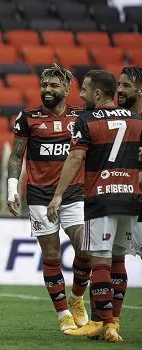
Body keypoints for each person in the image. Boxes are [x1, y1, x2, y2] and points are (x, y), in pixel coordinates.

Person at [47, 70, 142, 343]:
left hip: (101, 198)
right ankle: (115, 323)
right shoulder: (136, 119)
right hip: (131, 199)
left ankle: (103, 322)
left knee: (100, 260)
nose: (81, 95)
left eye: (85, 91)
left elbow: (75, 159)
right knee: (118, 260)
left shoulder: (85, 120)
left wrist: (58, 196)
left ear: (97, 94)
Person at [7, 64, 90, 332]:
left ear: (67, 89)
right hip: (40, 196)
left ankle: (76, 298)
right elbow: (16, 156)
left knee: (85, 250)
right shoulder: (28, 117)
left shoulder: (81, 116)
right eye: (44, 85)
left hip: (73, 193)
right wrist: (12, 190)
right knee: (52, 255)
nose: (47, 90)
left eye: (54, 85)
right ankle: (63, 313)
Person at [117, 67, 142, 260]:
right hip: (119, 200)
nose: (119, 90)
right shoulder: (113, 120)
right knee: (115, 256)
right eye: (118, 84)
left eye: (126, 85)